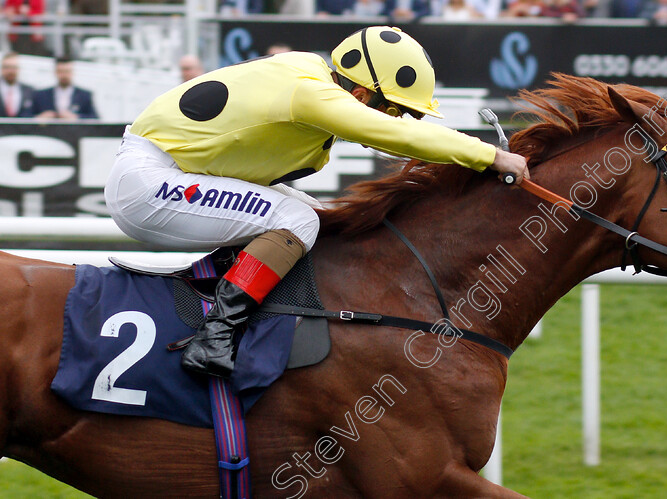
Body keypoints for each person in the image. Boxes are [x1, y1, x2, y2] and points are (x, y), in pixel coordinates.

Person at [104, 26, 528, 378]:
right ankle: (215, 336)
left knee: (321, 217)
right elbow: (392, 136)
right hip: (150, 183)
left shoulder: (311, 77)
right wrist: (490, 154)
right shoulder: (309, 93)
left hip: (174, 172)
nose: (395, 119)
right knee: (298, 220)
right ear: (363, 94)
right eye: (392, 108)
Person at [31, 57, 98, 120]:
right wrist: (40, 117)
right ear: (55, 72)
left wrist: (76, 118)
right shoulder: (41, 95)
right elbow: (27, 116)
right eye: (61, 71)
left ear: (72, 72)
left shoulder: (84, 95)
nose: (64, 75)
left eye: (67, 71)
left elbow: (95, 118)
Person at [0, 52, 34, 117]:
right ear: (2, 68)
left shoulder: (29, 91)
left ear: (18, 69)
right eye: (7, 67)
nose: (10, 71)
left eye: (14, 67)